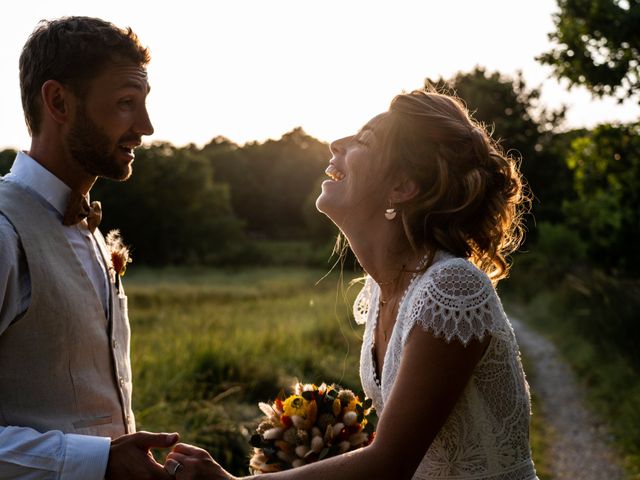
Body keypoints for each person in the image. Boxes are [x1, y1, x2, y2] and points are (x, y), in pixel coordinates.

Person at [163, 88, 538, 479]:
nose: (335, 143)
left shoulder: (452, 287)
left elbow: (388, 464)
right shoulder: (383, 288)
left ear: (402, 187)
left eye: (363, 141)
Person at [0, 16, 178, 479]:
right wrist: (98, 461)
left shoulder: (91, 230)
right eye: (125, 103)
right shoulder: (3, 232)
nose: (146, 126)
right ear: (58, 101)